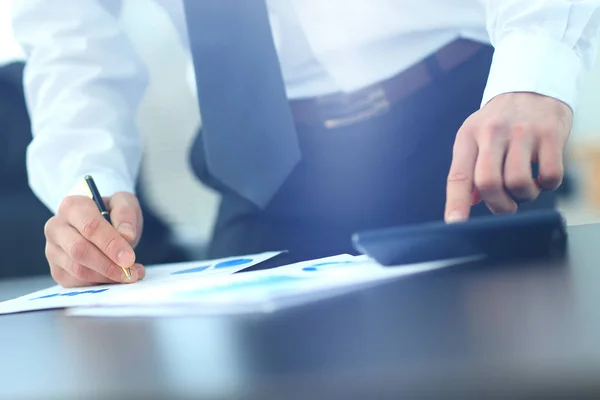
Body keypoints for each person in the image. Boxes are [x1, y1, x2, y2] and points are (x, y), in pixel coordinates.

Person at [11, 0, 600, 288]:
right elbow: (68, 33)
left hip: (456, 136)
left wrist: (535, 63)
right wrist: (85, 182)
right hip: (263, 163)